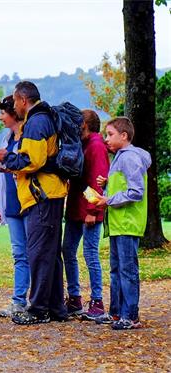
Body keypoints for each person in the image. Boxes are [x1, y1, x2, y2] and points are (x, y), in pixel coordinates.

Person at [0, 81, 69, 325]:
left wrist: (9, 157)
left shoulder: (36, 122)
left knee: (39, 254)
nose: (14, 106)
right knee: (50, 254)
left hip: (41, 196)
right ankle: (56, 308)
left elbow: (32, 160)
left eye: (14, 102)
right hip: (49, 194)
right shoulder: (43, 119)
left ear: (23, 100)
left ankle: (38, 309)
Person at [94, 117, 151, 330]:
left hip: (128, 223)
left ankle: (130, 315)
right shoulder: (119, 157)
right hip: (118, 223)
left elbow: (136, 191)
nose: (106, 139)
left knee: (127, 270)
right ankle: (116, 313)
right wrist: (108, 184)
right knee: (116, 270)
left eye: (110, 134)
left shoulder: (130, 158)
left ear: (124, 136)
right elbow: (124, 183)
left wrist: (108, 199)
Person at [62, 109, 109, 320]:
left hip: (87, 210)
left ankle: (97, 301)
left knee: (90, 253)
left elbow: (97, 179)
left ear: (84, 125)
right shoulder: (82, 145)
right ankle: (74, 297)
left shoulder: (96, 146)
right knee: (68, 250)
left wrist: (93, 210)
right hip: (75, 208)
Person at [0, 95, 30, 318]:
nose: (0, 118)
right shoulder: (6, 140)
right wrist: (0, 204)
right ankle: (18, 300)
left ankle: (36, 298)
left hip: (27, 202)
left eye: (3, 113)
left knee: (32, 253)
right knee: (19, 253)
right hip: (12, 205)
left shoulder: (26, 139)